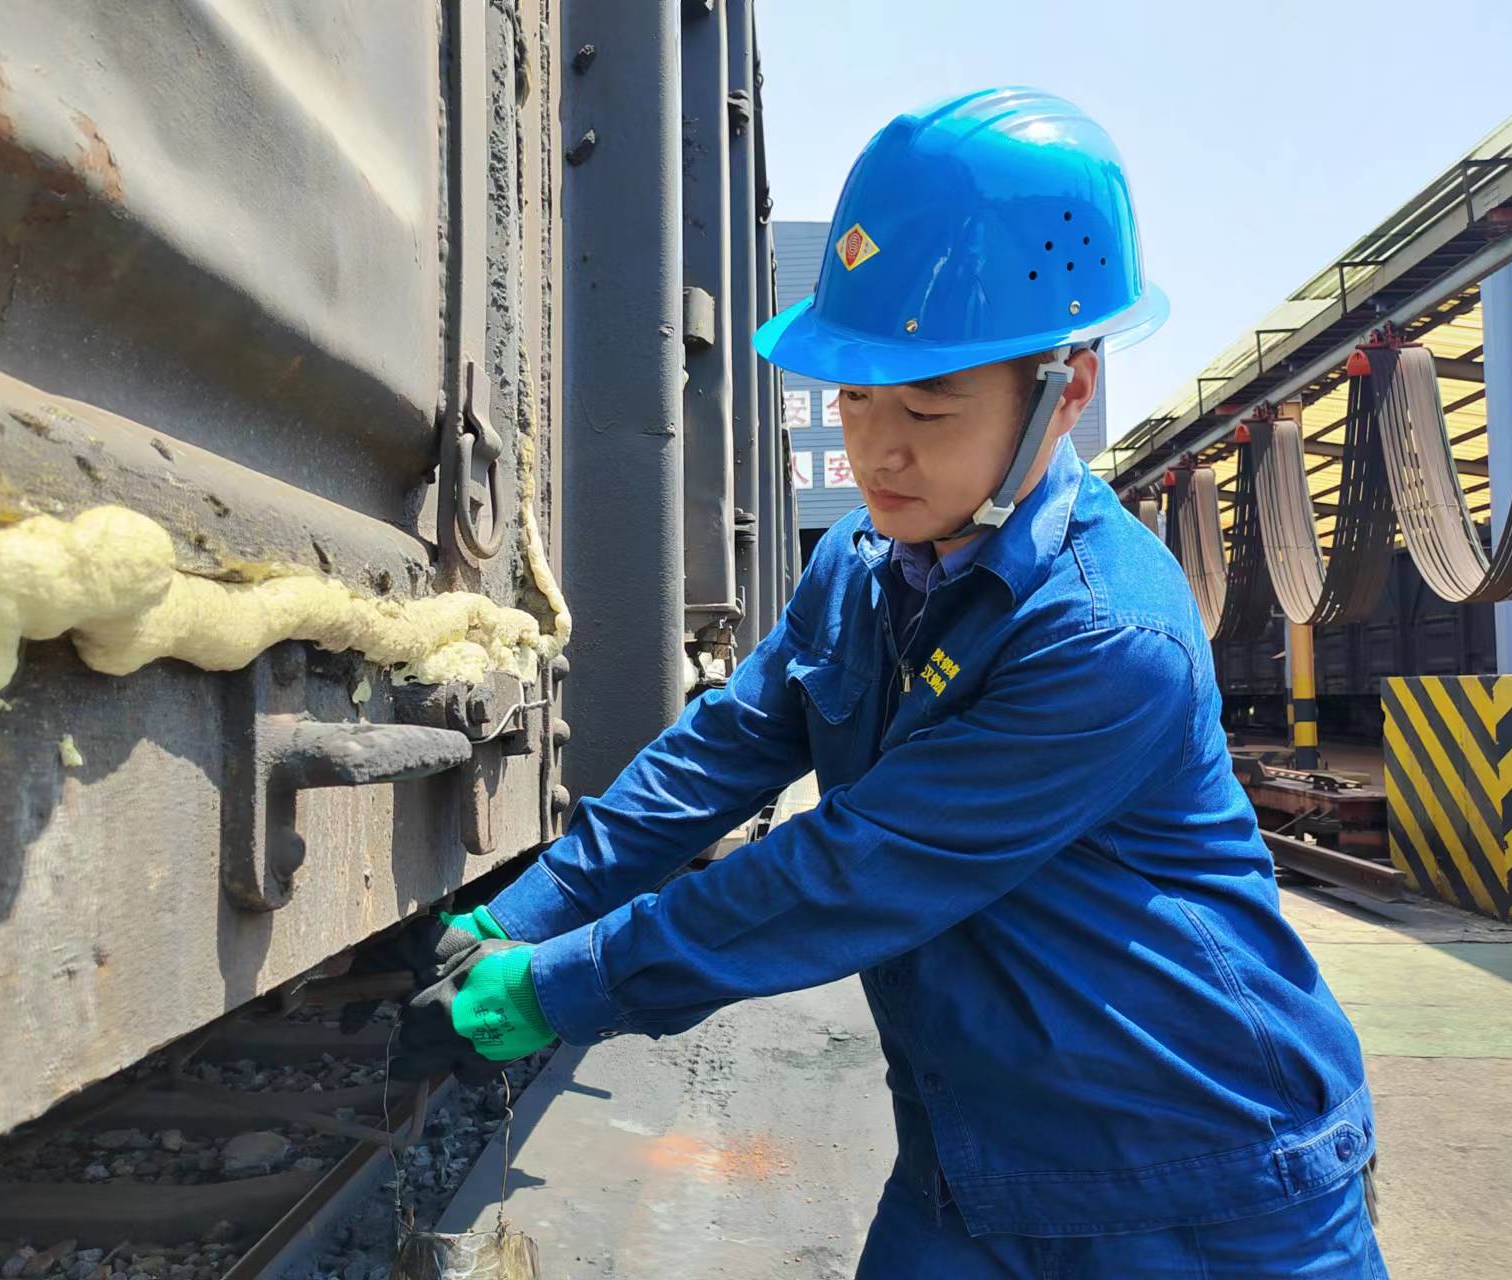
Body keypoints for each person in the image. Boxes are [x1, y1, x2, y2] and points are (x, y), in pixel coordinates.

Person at [367, 88, 1387, 1277]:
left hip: (1206, 1181)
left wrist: (555, 987)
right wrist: (522, 910)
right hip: (969, 1164)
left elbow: (844, 873)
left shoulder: (1106, 636)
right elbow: (722, 749)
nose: (877, 450)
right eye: (855, 398)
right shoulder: (857, 573)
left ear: (1065, 388)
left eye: (927, 404)